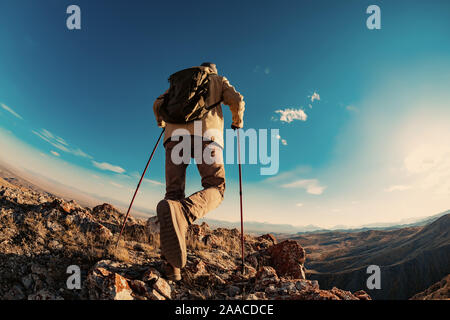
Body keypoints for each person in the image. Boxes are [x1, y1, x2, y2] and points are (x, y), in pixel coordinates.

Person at [153, 62, 245, 281]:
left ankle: (172, 267)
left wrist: (162, 124)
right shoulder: (217, 80)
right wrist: (237, 122)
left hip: (173, 138)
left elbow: (158, 104)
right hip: (206, 135)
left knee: (173, 195)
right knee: (216, 186)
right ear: (212, 70)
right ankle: (185, 213)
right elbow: (238, 100)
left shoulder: (179, 82)